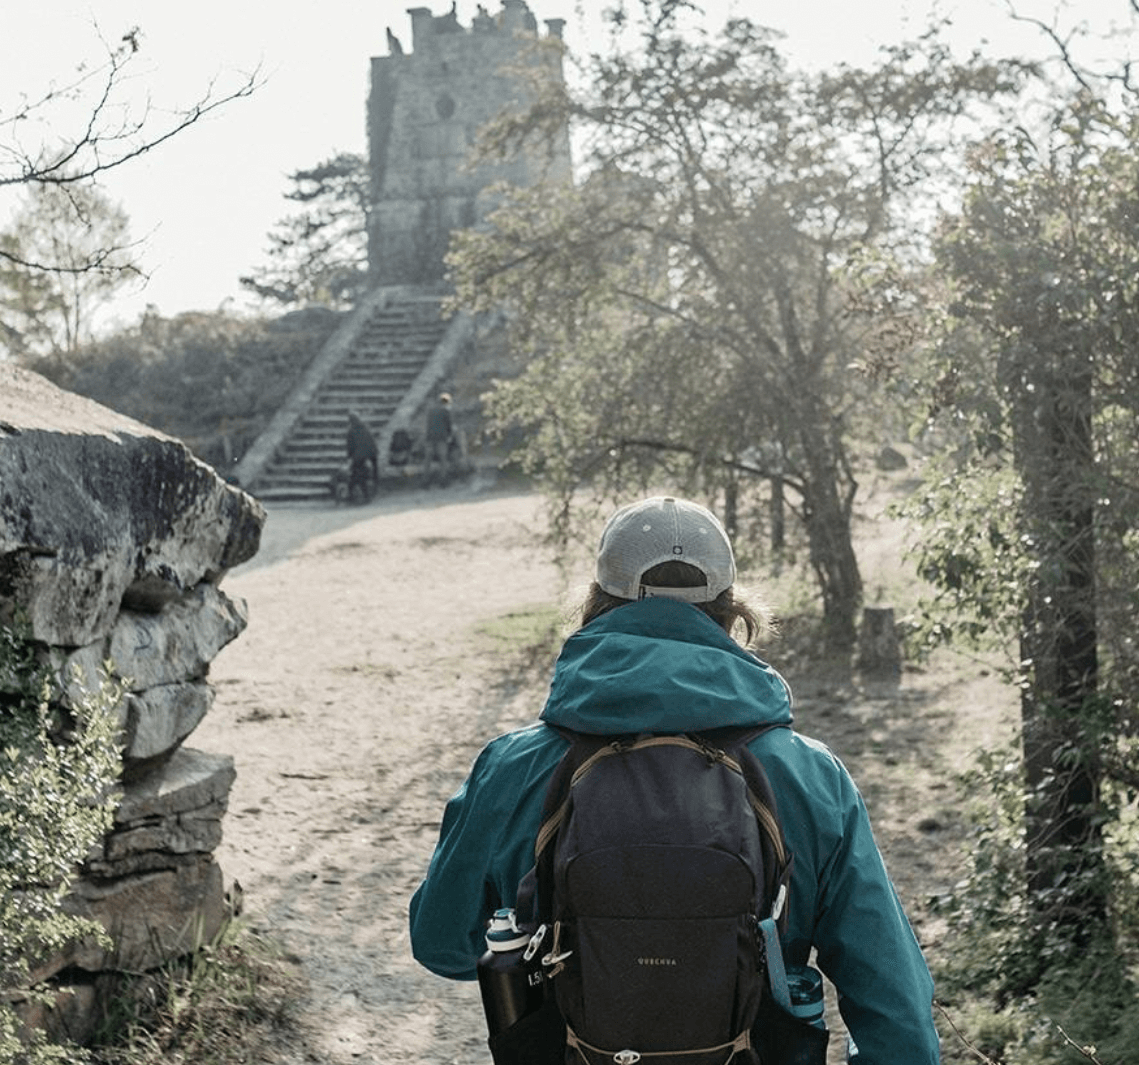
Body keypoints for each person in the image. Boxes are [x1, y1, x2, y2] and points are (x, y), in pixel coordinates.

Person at [409, 496, 939, 1064]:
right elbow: (894, 1007)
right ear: (732, 612)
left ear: (596, 602)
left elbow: (443, 944)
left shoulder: (514, 767)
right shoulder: (811, 777)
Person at [345, 410, 379, 499]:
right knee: (374, 470)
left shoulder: (351, 431)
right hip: (372, 452)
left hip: (360, 455)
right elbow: (371, 440)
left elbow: (350, 447)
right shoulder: (366, 427)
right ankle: (375, 486)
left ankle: (357, 492)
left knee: (357, 473)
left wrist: (349, 458)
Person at [425, 391, 458, 482]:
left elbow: (428, 425)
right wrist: (450, 436)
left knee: (428, 460)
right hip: (441, 438)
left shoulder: (431, 411)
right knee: (443, 459)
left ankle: (425, 481)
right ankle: (443, 480)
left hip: (430, 437)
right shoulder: (446, 411)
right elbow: (450, 426)